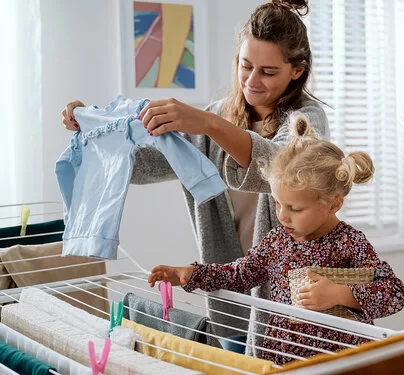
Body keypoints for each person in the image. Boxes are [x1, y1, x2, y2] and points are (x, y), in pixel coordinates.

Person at [61, 0, 329, 355]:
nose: (251, 81)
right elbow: (145, 165)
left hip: (285, 294)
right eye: (245, 66)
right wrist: (94, 132)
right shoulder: (218, 116)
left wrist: (207, 123)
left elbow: (280, 168)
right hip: (229, 290)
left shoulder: (307, 120)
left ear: (297, 71)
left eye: (268, 72)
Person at [147, 115, 404, 365]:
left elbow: (394, 293)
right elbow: (239, 275)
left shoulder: (350, 242)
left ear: (333, 204)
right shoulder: (277, 241)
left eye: (295, 209)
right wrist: (191, 274)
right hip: (283, 360)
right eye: (277, 203)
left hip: (341, 362)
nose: (282, 216)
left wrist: (341, 294)